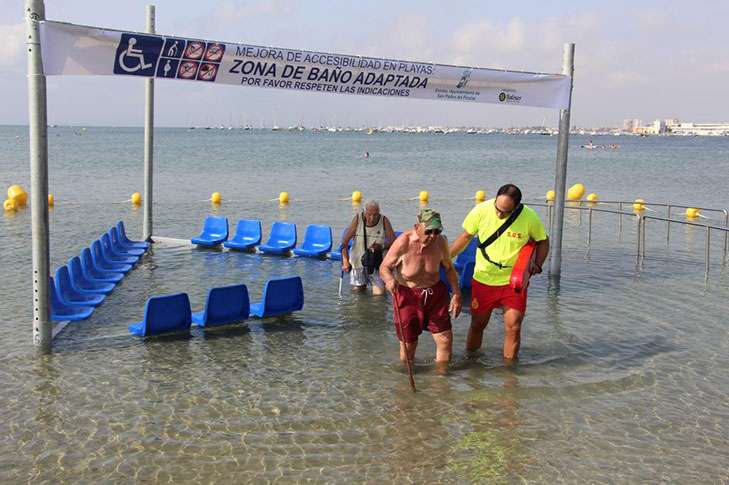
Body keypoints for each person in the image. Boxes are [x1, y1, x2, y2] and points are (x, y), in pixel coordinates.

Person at [449, 184, 549, 364]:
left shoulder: (529, 217)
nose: (500, 214)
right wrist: (445, 258)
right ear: (495, 200)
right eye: (498, 208)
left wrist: (538, 265)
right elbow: (465, 237)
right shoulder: (481, 210)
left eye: (506, 212)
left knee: (513, 328)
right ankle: (471, 362)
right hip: (483, 279)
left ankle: (509, 374)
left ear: (517, 207)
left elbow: (543, 241)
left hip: (513, 283)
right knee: (478, 324)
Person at [380, 208, 462, 367]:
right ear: (417, 227)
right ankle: (408, 378)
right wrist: (389, 280)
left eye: (437, 231)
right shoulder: (403, 242)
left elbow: (449, 268)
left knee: (445, 339)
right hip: (408, 295)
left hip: (435, 295)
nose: (433, 236)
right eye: (429, 231)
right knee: (409, 345)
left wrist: (456, 294)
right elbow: (384, 267)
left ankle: (441, 381)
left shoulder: (441, 242)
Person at [341, 200, 396, 294]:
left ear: (379, 212)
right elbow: (344, 242)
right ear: (364, 211)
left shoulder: (384, 220)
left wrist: (381, 246)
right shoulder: (358, 219)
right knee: (358, 292)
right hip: (357, 261)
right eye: (369, 214)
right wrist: (345, 261)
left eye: (375, 214)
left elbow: (394, 242)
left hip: (376, 262)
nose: (372, 217)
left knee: (379, 294)